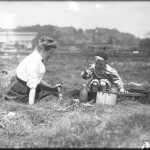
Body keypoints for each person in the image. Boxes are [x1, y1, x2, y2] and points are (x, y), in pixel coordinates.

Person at [4, 36, 62, 105]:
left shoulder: (36, 55)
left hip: (20, 85)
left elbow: (36, 79)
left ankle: (51, 90)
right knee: (48, 96)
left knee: (49, 92)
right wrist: (31, 105)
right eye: (50, 53)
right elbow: (32, 86)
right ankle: (26, 98)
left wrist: (51, 88)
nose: (51, 56)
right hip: (20, 90)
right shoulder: (34, 62)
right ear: (43, 50)